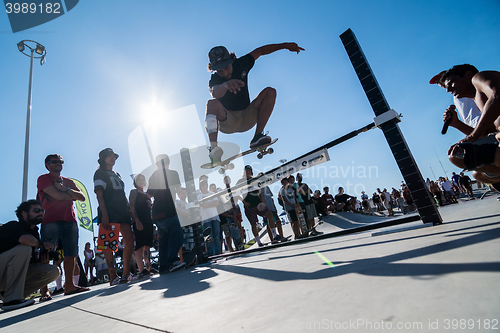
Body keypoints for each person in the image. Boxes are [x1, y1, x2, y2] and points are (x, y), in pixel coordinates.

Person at [205, 42, 304, 162]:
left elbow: (260, 51)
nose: (225, 73)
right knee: (212, 103)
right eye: (220, 71)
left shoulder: (241, 64)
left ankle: (257, 137)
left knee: (270, 92)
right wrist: (225, 85)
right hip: (228, 121)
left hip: (247, 116)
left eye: (226, 68)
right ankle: (214, 149)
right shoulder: (215, 79)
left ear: (232, 61)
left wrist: (285, 45)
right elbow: (214, 92)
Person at [437, 65, 500, 188]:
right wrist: (456, 123)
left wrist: (472, 136)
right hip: (497, 137)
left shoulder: (479, 78)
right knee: (461, 159)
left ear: (468, 75)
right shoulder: (476, 98)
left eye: (451, 83)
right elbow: (485, 134)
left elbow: (498, 94)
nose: (447, 89)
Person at [37, 154, 88, 297]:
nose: (58, 164)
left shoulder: (68, 182)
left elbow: (82, 197)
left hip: (70, 220)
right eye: (54, 162)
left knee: (71, 254)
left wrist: (65, 189)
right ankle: (44, 290)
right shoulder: (43, 179)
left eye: (61, 161)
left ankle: (69, 285)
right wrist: (71, 195)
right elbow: (57, 196)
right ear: (47, 164)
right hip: (50, 220)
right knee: (46, 254)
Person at [0, 200, 59, 311]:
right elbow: (23, 239)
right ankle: (12, 300)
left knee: (53, 271)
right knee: (24, 248)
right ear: (23, 213)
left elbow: (23, 262)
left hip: (7, 279)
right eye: (36, 210)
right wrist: (41, 244)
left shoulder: (35, 233)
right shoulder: (13, 226)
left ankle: (8, 295)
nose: (41, 213)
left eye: (42, 211)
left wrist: (41, 259)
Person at [94, 148, 137, 284]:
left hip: (122, 210)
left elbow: (122, 193)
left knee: (129, 240)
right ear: (103, 159)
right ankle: (113, 276)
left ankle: (125, 273)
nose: (113, 159)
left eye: (114, 156)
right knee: (108, 244)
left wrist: (129, 208)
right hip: (109, 210)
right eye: (109, 156)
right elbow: (99, 194)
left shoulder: (117, 174)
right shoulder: (99, 173)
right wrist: (104, 214)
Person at [148, 154, 185, 273]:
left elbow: (149, 195)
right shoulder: (173, 173)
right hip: (168, 210)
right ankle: (172, 261)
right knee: (177, 234)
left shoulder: (153, 175)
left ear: (157, 164)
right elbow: (179, 190)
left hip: (156, 213)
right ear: (168, 162)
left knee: (164, 239)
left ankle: (163, 266)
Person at [237, 165, 281, 246]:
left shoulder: (254, 179)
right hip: (249, 205)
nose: (248, 172)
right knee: (253, 223)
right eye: (246, 170)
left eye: (249, 170)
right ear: (244, 172)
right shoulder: (240, 182)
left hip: (258, 203)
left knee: (270, 214)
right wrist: (244, 202)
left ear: (251, 171)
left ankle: (275, 235)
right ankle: (259, 242)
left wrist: (262, 200)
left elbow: (259, 190)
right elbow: (235, 193)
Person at [129, 174, 154, 278]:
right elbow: (131, 207)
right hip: (139, 220)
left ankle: (149, 268)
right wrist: (136, 220)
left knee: (147, 244)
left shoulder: (147, 194)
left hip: (148, 221)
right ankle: (141, 270)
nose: (140, 181)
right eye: (138, 179)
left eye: (142, 179)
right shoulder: (133, 192)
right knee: (139, 245)